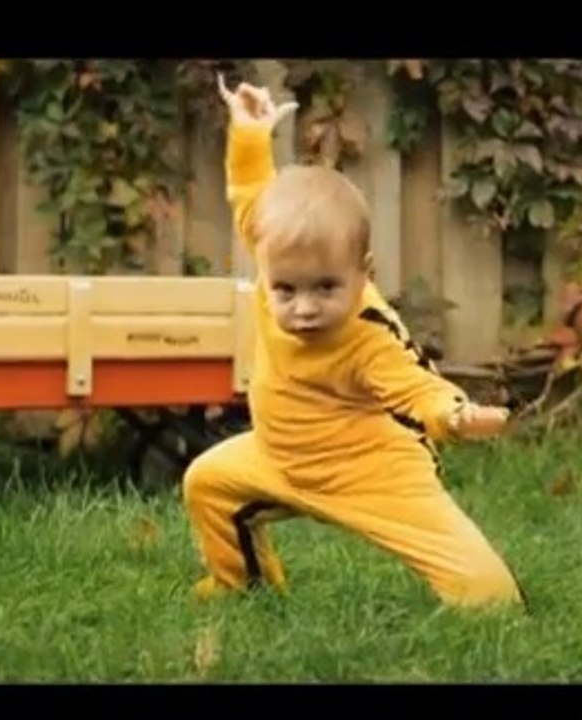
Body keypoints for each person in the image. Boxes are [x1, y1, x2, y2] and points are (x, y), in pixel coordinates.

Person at [182, 75, 526, 611]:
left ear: (363, 273)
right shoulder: (275, 251)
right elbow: (251, 195)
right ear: (267, 268)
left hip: (372, 471)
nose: (303, 307)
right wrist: (249, 133)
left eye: (325, 288)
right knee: (207, 484)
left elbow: (416, 384)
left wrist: (454, 415)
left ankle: (492, 598)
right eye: (286, 290)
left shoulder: (368, 330)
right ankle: (241, 588)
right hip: (280, 460)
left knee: (489, 600)